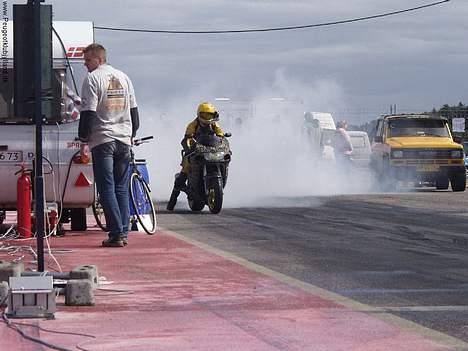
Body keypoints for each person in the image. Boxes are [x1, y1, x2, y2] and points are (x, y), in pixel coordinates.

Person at [78, 43, 140, 247]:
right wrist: (132, 134)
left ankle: (116, 234)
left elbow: (88, 113)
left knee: (106, 188)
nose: (85, 65)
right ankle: (123, 231)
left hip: (103, 139)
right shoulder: (124, 77)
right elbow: (134, 112)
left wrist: (83, 139)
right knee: (121, 188)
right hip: (124, 140)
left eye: (88, 60)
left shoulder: (93, 79)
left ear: (99, 59)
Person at [167, 102, 224, 211]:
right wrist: (189, 147)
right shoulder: (193, 125)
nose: (207, 118)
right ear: (199, 114)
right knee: (183, 173)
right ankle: (171, 203)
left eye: (209, 115)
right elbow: (187, 138)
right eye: (204, 115)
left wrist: (223, 144)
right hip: (196, 150)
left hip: (210, 151)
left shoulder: (215, 125)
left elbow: (221, 137)